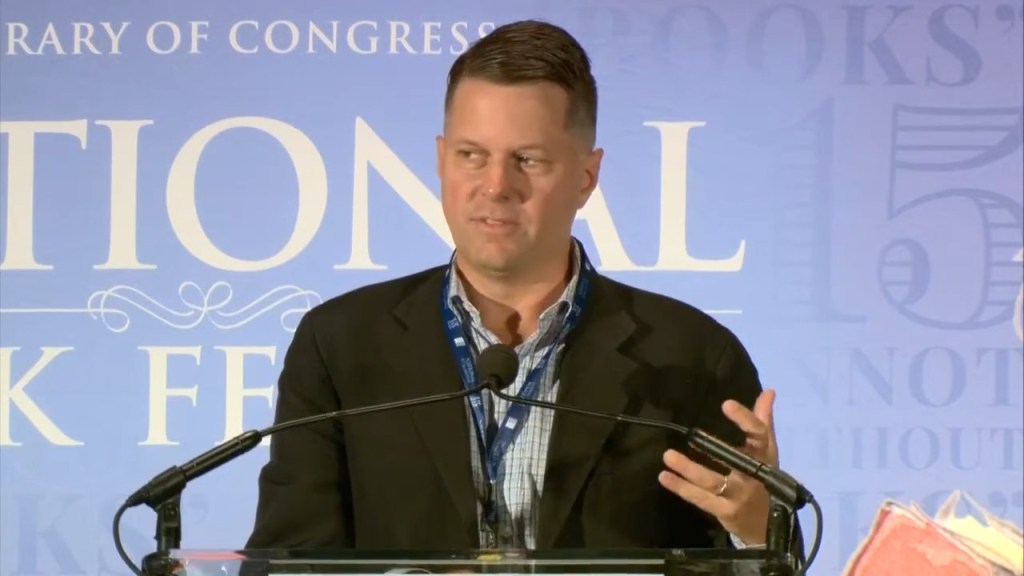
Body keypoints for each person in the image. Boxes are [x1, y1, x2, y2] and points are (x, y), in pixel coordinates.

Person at [246, 19, 785, 554]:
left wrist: (758, 530)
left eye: (527, 159)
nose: (496, 186)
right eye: (471, 155)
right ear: (440, 160)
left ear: (586, 178)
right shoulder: (340, 344)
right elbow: (287, 559)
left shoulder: (692, 355)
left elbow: (751, 557)